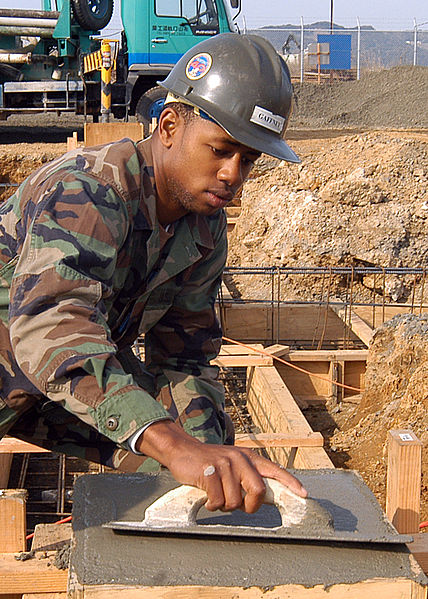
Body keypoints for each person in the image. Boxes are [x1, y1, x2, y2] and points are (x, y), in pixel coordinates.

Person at [0, 33, 305, 513]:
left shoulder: (203, 225)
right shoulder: (91, 188)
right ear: (168, 126)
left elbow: (184, 356)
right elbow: (50, 323)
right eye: (221, 149)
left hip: (57, 384)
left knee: (175, 451)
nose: (233, 174)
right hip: (25, 362)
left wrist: (210, 460)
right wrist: (171, 443)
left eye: (248, 158)